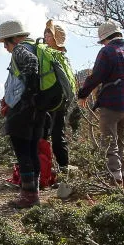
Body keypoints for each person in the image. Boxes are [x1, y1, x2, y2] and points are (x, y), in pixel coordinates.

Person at [76, 21, 124, 186]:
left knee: (109, 142)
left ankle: (115, 180)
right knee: (121, 140)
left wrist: (83, 94)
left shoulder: (107, 52)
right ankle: (123, 177)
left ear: (105, 39)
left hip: (110, 103)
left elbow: (96, 77)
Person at [0, 19, 46, 209]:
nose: (5, 48)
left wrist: (26, 97)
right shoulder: (37, 47)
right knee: (32, 150)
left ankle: (28, 196)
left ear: (12, 40)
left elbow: (31, 65)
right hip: (39, 109)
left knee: (23, 151)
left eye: (5, 43)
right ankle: (34, 194)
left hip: (24, 110)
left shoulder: (20, 50)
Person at [42, 20, 75, 177]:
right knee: (55, 133)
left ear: (56, 39)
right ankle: (56, 168)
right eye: (46, 34)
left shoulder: (52, 56)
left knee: (52, 135)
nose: (46, 37)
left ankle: (56, 169)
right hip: (60, 101)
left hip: (53, 100)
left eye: (49, 35)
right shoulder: (62, 57)